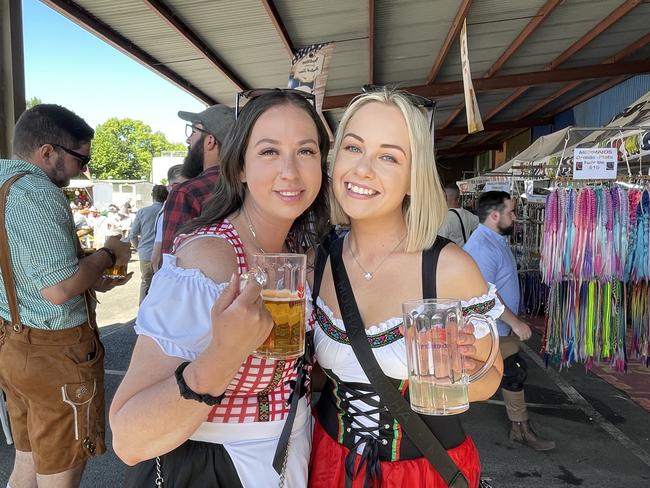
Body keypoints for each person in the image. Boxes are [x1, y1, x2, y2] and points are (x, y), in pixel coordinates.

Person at [109, 89, 330, 487]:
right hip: (216, 469)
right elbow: (128, 438)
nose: (290, 171)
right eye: (268, 151)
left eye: (306, 151)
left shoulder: (295, 249)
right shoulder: (210, 259)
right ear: (240, 167)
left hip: (287, 458)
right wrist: (225, 353)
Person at [308, 88, 504, 488]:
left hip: (423, 472)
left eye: (388, 156)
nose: (362, 169)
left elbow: (490, 382)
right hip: (327, 463)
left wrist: (468, 368)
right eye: (353, 147)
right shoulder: (320, 261)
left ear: (415, 177)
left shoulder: (448, 268)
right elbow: (322, 376)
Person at [0, 104, 131, 488]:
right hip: (56, 355)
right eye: (80, 159)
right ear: (47, 152)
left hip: (14, 341)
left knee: (26, 462)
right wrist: (108, 255)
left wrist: (89, 277)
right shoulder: (38, 193)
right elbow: (58, 290)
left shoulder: (4, 184)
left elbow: (29, 271)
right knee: (61, 473)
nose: (83, 171)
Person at [464, 191, 555, 452]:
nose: (515, 217)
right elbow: (483, 294)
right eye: (511, 212)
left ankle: (520, 427)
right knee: (513, 371)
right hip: (492, 328)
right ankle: (521, 429)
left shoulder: (496, 240)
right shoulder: (482, 247)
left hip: (500, 327)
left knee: (512, 373)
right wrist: (515, 322)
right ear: (495, 215)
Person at [160, 104, 235, 254]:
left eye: (193, 132)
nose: (188, 140)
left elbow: (171, 264)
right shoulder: (251, 186)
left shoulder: (187, 193)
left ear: (210, 141)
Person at [129, 185, 169, 303]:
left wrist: (139, 248)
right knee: (162, 285)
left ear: (152, 196)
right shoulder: (167, 212)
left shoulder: (142, 212)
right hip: (163, 255)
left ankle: (142, 311)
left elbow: (133, 235)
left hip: (145, 253)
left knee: (146, 283)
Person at [151, 164, 187, 272]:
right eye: (177, 186)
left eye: (188, 186)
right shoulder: (167, 214)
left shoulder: (168, 212)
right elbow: (156, 258)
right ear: (168, 187)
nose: (183, 191)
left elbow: (155, 258)